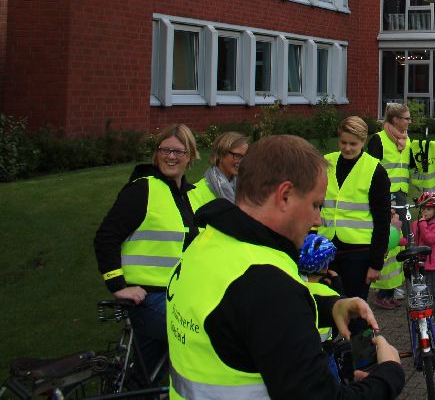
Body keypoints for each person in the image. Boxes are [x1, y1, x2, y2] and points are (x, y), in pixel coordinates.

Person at [166, 134, 405, 399]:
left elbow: (245, 312)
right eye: (316, 205)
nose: (317, 220)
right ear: (285, 195)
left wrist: (331, 307)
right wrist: (390, 373)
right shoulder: (267, 284)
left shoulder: (206, 243)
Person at [94, 123, 199, 377]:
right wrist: (118, 285)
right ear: (156, 153)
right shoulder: (143, 189)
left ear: (191, 156)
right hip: (149, 299)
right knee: (205, 340)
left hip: (178, 297)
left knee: (147, 377)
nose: (171, 156)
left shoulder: (189, 195)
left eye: (178, 151)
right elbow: (105, 237)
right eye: (165, 150)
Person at [319, 116, 391, 303]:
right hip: (326, 250)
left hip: (358, 254)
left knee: (354, 311)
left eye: (353, 143)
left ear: (363, 141)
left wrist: (376, 264)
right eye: (343, 142)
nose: (347, 148)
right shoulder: (326, 163)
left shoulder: (375, 170)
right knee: (326, 308)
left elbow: (382, 222)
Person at [298, 234, 344, 379]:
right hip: (324, 352)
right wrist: (338, 286)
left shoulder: (293, 284)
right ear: (325, 265)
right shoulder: (328, 292)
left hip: (301, 352)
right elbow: (338, 319)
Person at [188, 131, 248, 210]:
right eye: (237, 156)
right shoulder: (195, 193)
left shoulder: (246, 190)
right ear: (221, 154)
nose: (242, 161)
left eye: (245, 156)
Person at [366, 103, 413, 202]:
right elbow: (370, 169)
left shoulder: (407, 140)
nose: (410, 122)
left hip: (401, 191)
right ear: (395, 119)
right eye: (407, 119)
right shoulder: (378, 139)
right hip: (383, 192)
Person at [412, 191, 435, 312]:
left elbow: (430, 239)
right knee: (418, 288)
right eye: (423, 209)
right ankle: (421, 310)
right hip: (418, 262)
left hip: (430, 265)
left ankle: (432, 312)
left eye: (428, 209)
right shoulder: (418, 223)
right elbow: (414, 239)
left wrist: (422, 224)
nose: (425, 211)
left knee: (430, 290)